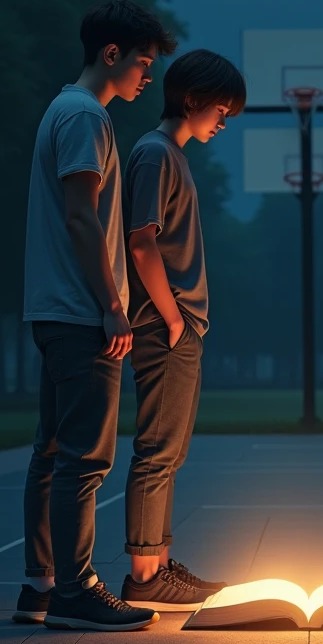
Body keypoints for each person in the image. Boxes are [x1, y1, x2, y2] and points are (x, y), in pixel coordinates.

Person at [14, 0, 177, 631]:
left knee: (51, 451)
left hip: (56, 308)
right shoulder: (84, 117)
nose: (147, 76)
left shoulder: (65, 110)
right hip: (82, 313)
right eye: (142, 62)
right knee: (85, 457)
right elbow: (83, 217)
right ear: (111, 54)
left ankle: (40, 586)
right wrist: (114, 308)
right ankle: (76, 592)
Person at [120, 50, 246, 611]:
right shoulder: (154, 154)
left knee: (169, 451)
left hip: (180, 322)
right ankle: (145, 575)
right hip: (163, 324)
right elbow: (141, 240)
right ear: (192, 99)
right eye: (222, 109)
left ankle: (159, 562)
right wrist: (173, 318)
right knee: (157, 449)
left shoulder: (171, 154)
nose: (224, 121)